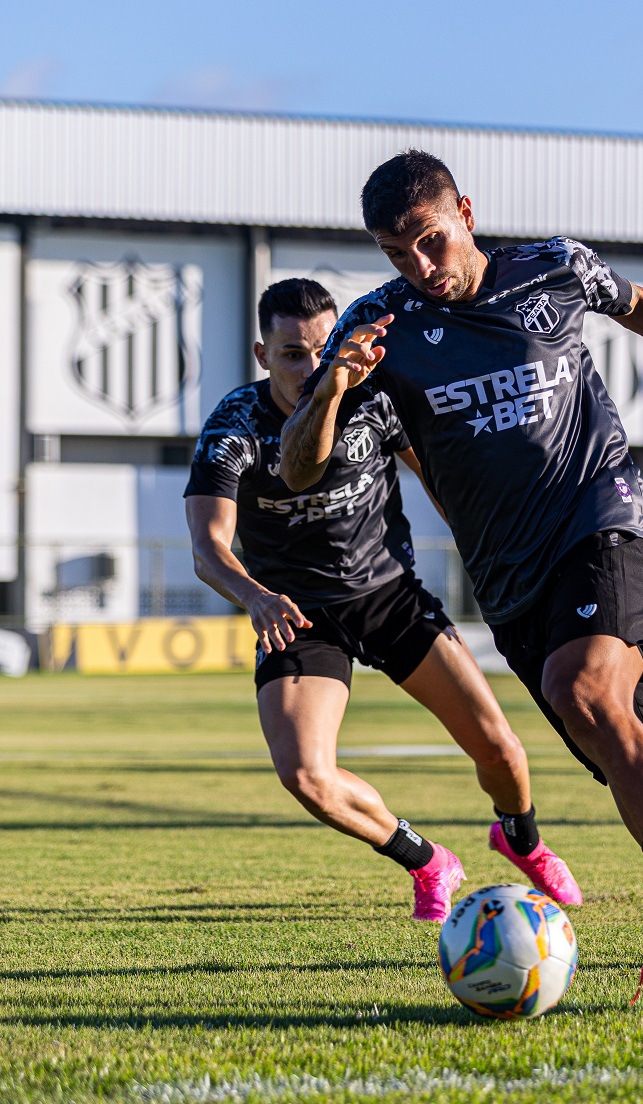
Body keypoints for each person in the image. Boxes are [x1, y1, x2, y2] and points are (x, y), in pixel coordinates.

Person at [280, 153, 643, 991]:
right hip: (513, 585)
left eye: (430, 241)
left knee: (587, 692)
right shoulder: (375, 329)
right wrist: (330, 391)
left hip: (603, 522)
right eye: (396, 254)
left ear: (465, 210)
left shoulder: (551, 267)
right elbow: (300, 471)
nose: (420, 267)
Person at [184, 277, 580, 923]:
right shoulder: (234, 427)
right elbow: (208, 549)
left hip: (389, 597)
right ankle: (426, 860)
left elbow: (443, 485)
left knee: (502, 751)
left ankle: (520, 839)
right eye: (290, 353)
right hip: (296, 616)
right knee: (307, 776)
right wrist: (255, 598)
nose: (310, 367)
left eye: (321, 348)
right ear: (262, 355)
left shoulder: (375, 401)